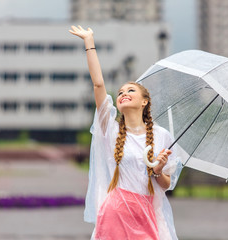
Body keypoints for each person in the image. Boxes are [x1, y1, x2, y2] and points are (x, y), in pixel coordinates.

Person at [69, 25, 182, 240]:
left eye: (131, 90)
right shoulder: (109, 130)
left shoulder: (162, 136)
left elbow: (166, 184)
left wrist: (157, 170)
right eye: (120, 92)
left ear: (144, 101)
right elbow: (98, 84)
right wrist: (89, 42)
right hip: (116, 212)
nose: (123, 94)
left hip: (147, 213)